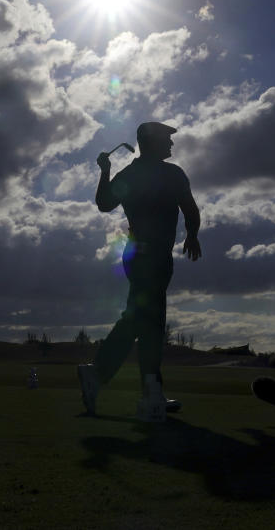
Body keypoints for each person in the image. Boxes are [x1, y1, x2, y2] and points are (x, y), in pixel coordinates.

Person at [78, 122, 201, 420]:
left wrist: (106, 171)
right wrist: (192, 234)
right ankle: (105, 376)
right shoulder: (171, 174)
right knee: (145, 319)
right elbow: (190, 210)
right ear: (151, 141)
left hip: (142, 256)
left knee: (148, 321)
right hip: (151, 258)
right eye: (166, 140)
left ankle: (149, 388)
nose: (171, 145)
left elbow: (105, 202)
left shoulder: (131, 175)